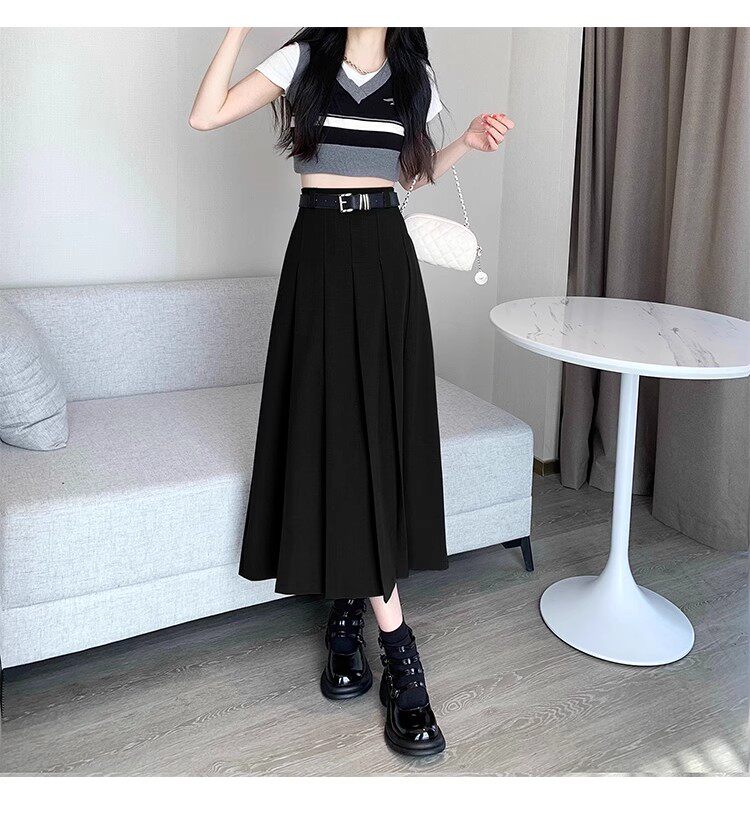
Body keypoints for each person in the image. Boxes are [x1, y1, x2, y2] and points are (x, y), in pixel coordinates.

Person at [190, 26, 513, 757]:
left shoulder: (415, 72)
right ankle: (395, 647)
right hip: (319, 256)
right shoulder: (303, 60)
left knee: (377, 433)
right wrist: (238, 22)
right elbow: (205, 115)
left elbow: (410, 175)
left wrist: (464, 142)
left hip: (385, 257)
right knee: (333, 431)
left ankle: (351, 614)